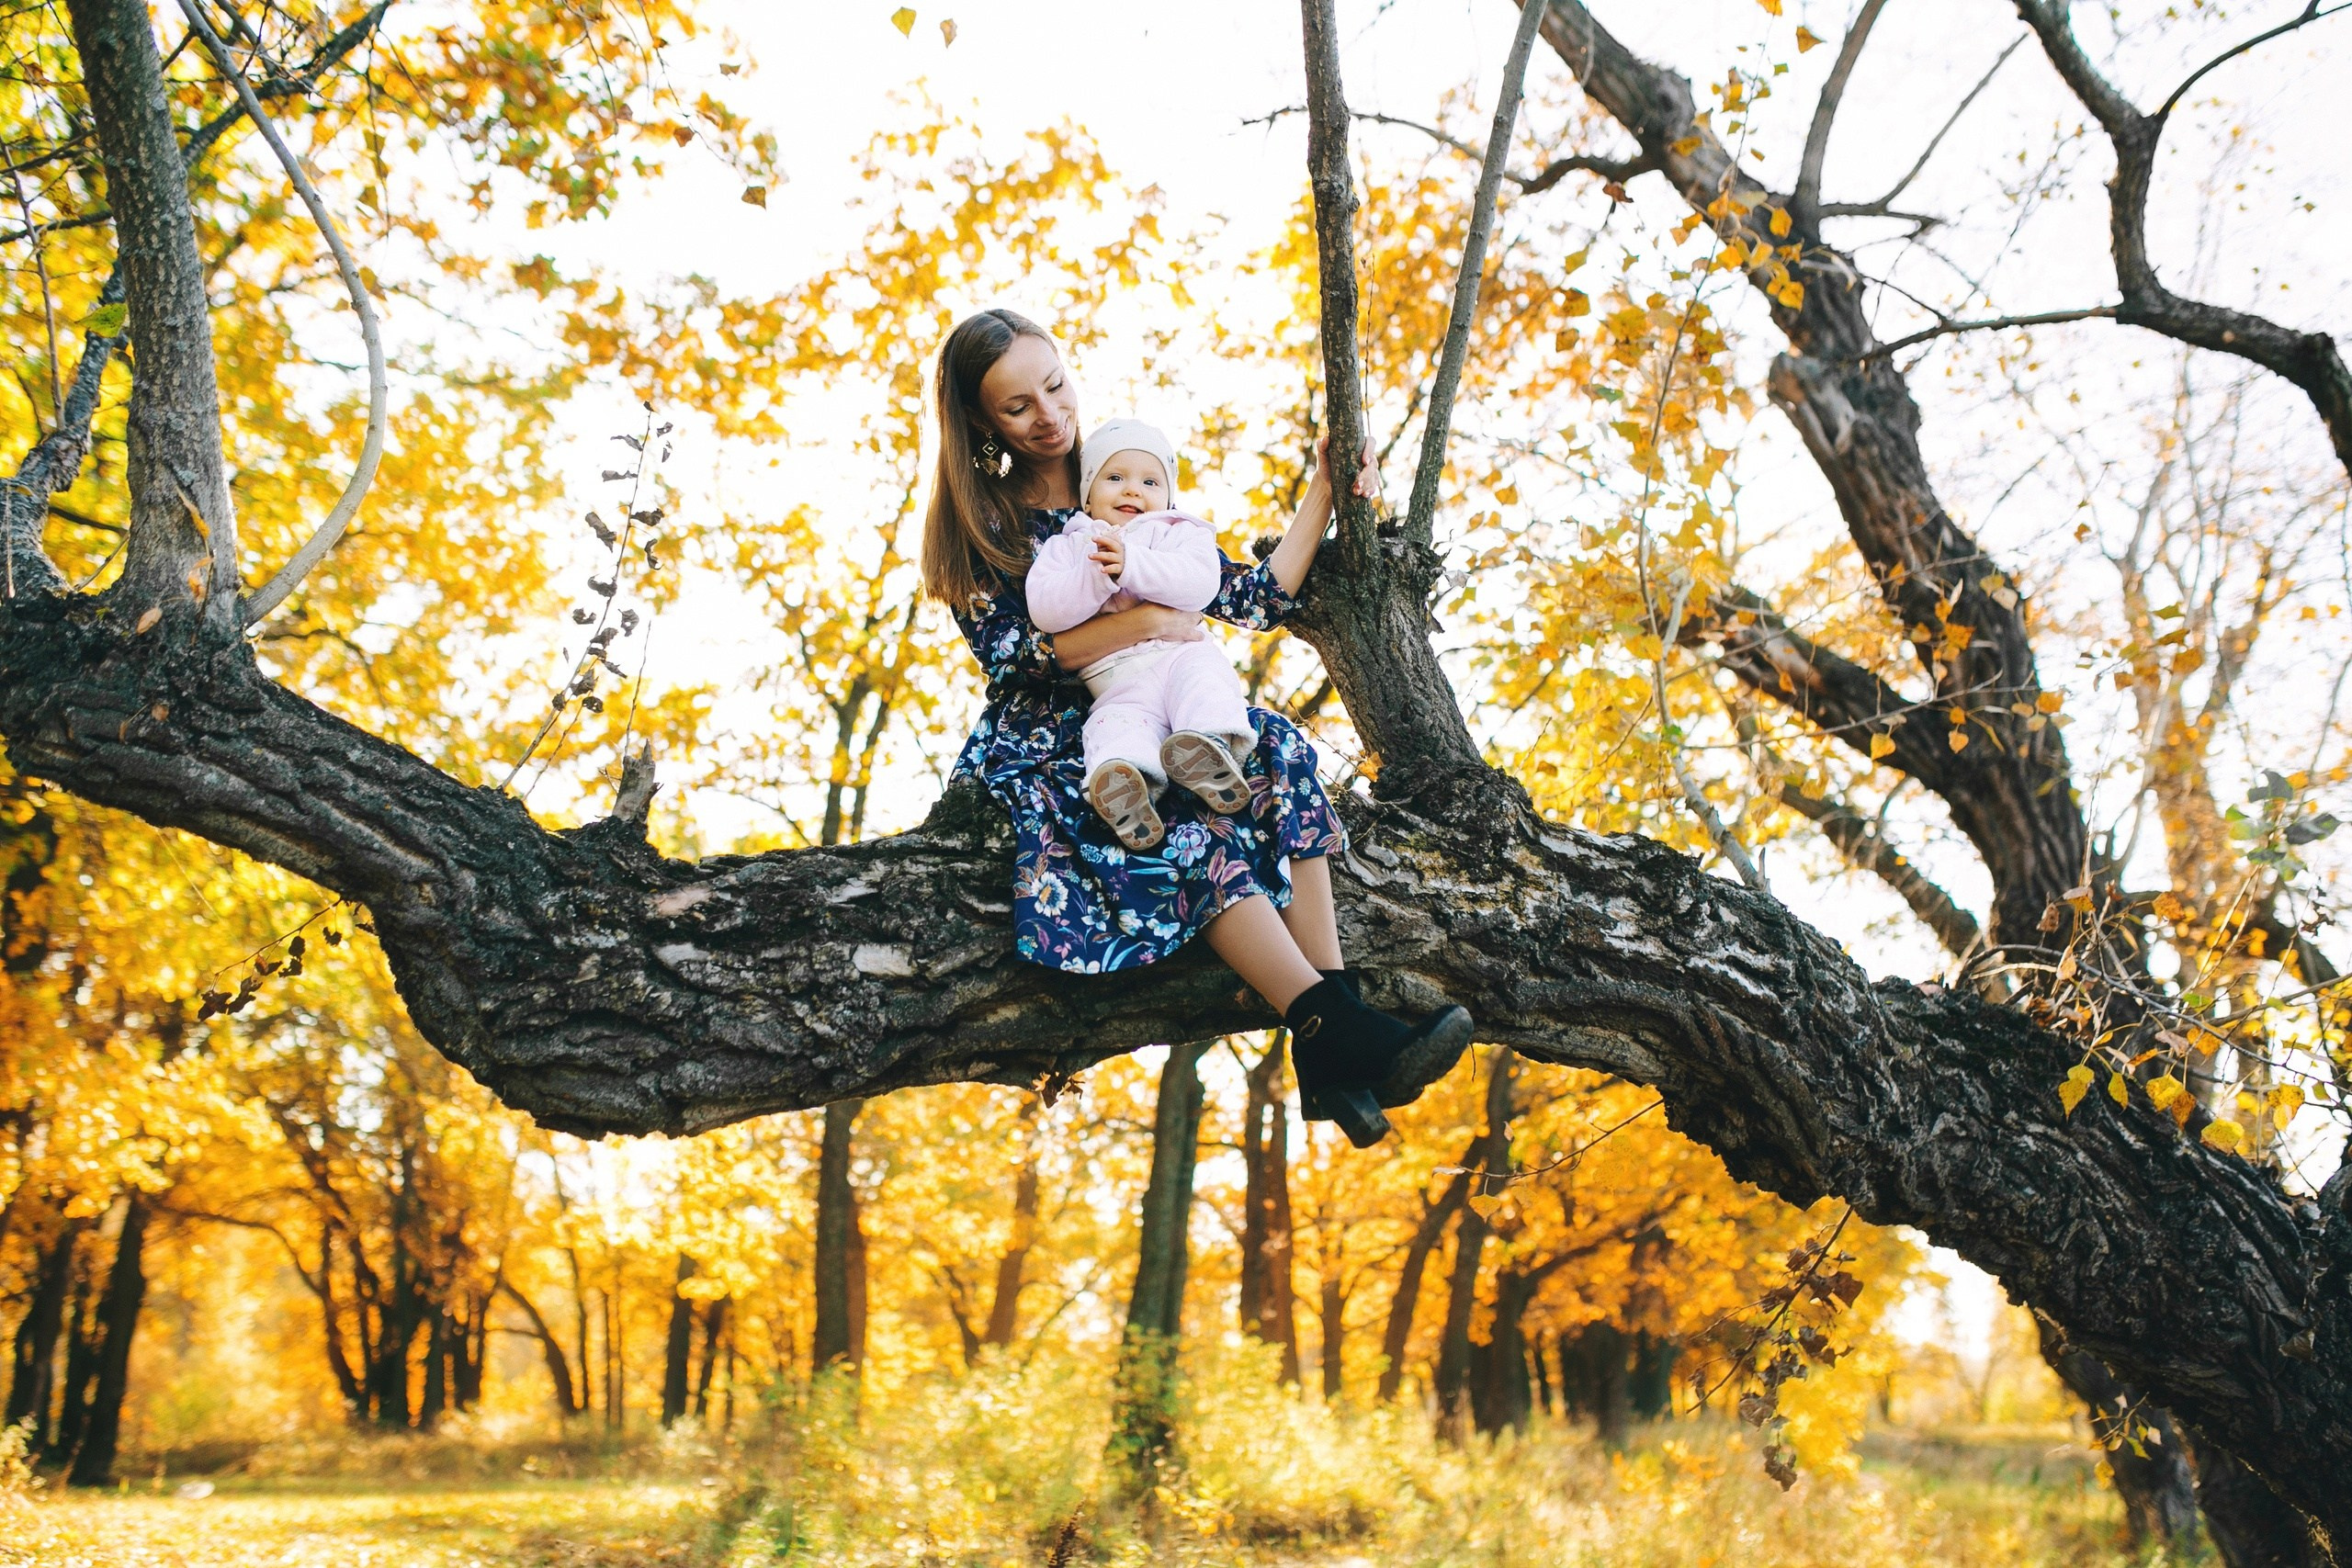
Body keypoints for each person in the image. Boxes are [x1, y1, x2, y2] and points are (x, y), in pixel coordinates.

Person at [920, 307, 1473, 1146]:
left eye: (1056, 385)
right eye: (1017, 406)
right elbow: (1018, 655)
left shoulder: (1126, 471)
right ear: (978, 423)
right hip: (1060, 736)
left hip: (1168, 699)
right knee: (1165, 812)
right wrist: (1147, 624)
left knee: (1276, 747)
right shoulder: (984, 522)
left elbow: (1247, 596)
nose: (1051, 414)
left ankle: (1334, 1033)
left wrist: (1324, 488)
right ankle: (1329, 1026)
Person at [1024, 417, 1257, 852]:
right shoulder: (1069, 546)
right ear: (1088, 497)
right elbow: (1045, 610)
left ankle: (1209, 748)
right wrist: (1095, 577)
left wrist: (1133, 564)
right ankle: (1127, 787)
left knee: (1206, 684)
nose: (1133, 490)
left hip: (1178, 655)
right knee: (1113, 726)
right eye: (1115, 477)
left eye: (1150, 481)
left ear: (1168, 496)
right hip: (1116, 679)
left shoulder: (1180, 532)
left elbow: (1200, 583)